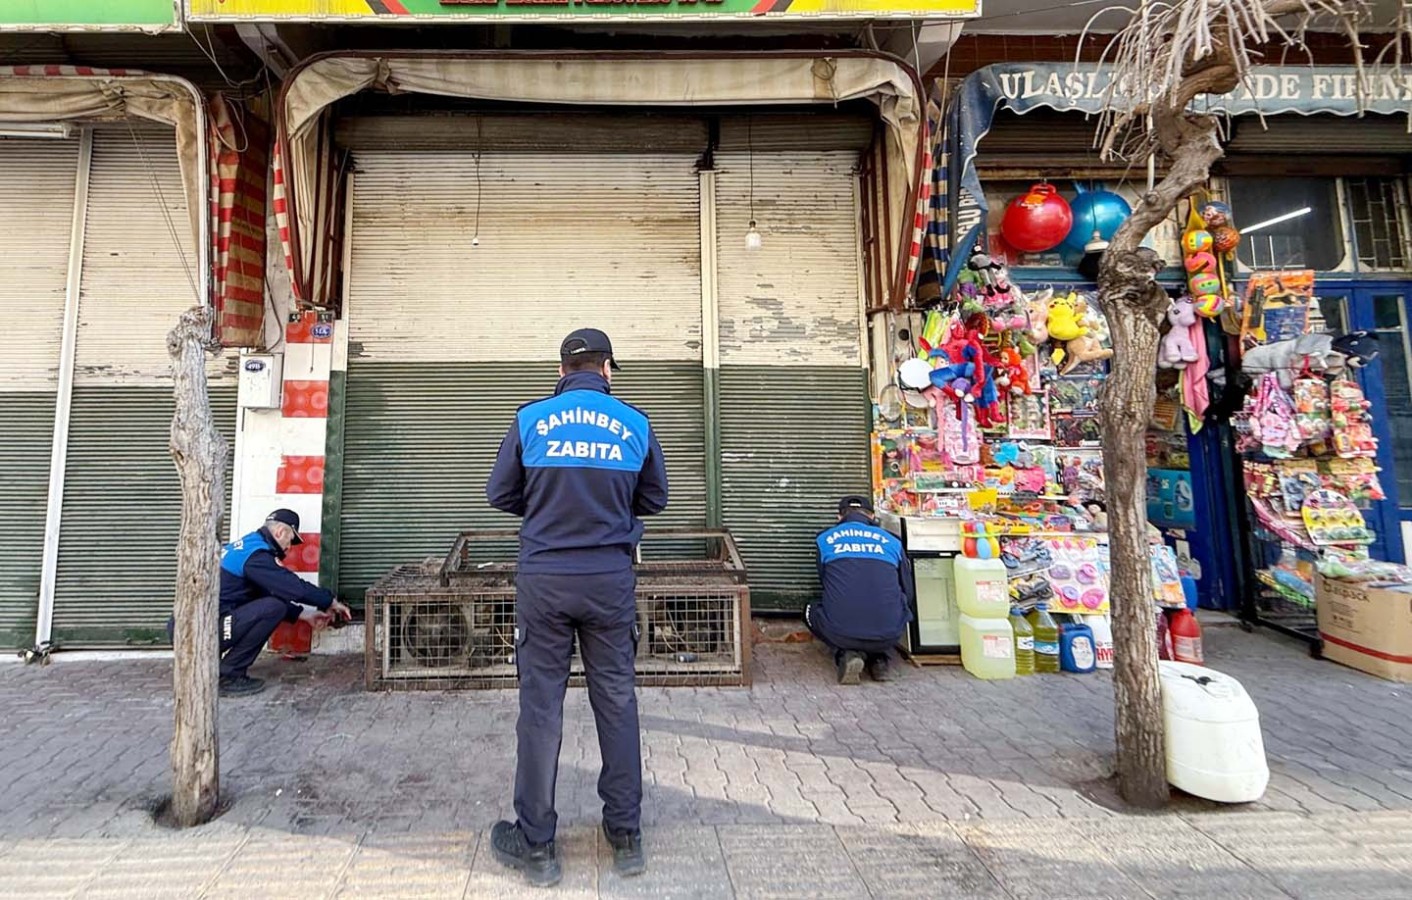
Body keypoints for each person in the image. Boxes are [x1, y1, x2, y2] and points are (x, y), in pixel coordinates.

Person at [486, 327, 668, 888]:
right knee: (616, 701)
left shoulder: (531, 419)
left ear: (563, 369)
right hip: (609, 579)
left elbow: (500, 494)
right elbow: (656, 499)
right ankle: (626, 834)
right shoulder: (635, 423)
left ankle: (537, 845)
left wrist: (545, 510)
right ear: (607, 368)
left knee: (540, 709)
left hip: (544, 579)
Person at [171, 508, 351, 698]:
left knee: (272, 605)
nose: (289, 547)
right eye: (290, 540)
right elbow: (291, 587)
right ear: (280, 532)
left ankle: (214, 666)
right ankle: (229, 675)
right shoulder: (256, 556)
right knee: (274, 608)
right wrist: (329, 601)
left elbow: (262, 593)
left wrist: (303, 615)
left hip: (189, 627)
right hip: (195, 632)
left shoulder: (247, 547)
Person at [806, 495, 912, 685]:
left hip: (840, 631)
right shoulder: (892, 541)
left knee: (809, 609)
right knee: (896, 605)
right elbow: (907, 588)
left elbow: (825, 580)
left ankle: (845, 654)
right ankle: (879, 659)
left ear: (839, 517)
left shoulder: (825, 539)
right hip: (889, 633)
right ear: (872, 516)